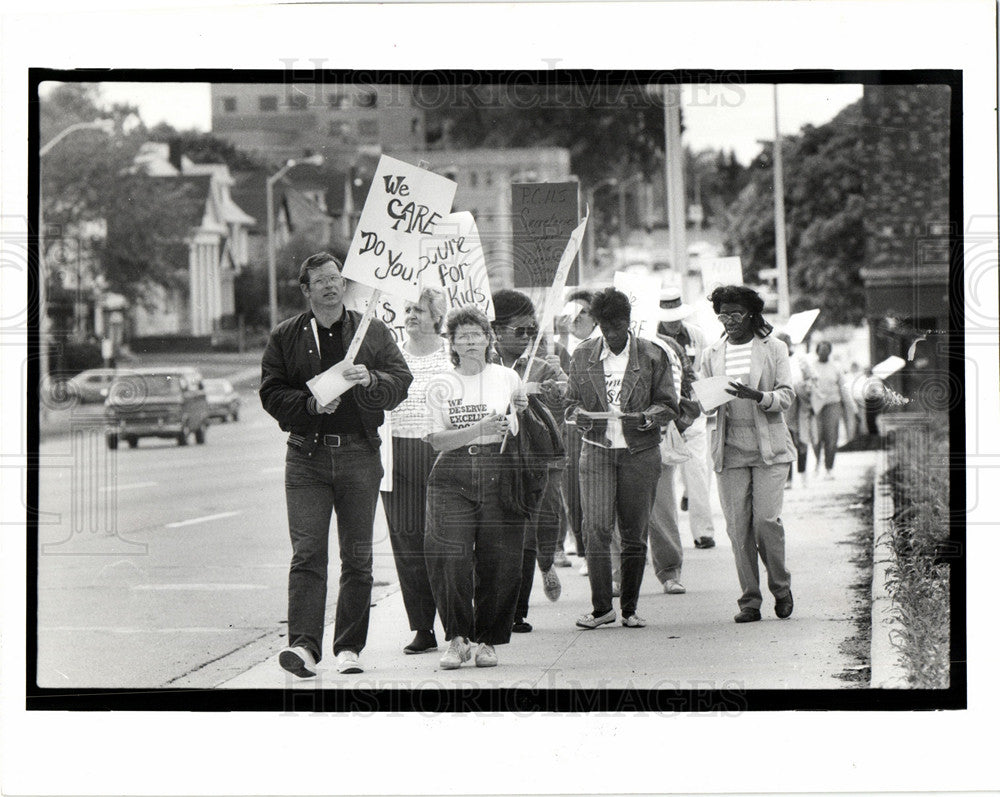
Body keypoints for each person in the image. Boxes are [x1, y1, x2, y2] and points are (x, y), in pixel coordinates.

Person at [261, 252, 413, 677]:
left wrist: (373, 380)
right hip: (306, 458)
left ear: (344, 285)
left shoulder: (371, 330)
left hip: (359, 454)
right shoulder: (286, 336)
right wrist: (309, 404)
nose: (330, 285)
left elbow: (401, 380)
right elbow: (271, 393)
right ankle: (304, 648)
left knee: (357, 556)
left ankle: (349, 647)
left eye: (335, 278)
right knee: (308, 554)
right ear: (306, 290)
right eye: (320, 281)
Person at [565, 287, 679, 629]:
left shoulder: (652, 355)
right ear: (598, 324)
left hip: (640, 452)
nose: (613, 335)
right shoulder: (582, 355)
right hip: (597, 450)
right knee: (595, 529)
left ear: (629, 322)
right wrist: (579, 415)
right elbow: (570, 405)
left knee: (634, 532)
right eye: (606, 327)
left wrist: (649, 416)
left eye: (619, 327)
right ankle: (602, 608)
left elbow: (670, 404)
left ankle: (629, 609)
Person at [424, 306, 529, 669]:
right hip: (452, 475)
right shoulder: (440, 383)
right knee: (450, 559)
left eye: (476, 333)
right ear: (451, 342)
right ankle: (457, 639)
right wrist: (477, 430)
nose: (469, 341)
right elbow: (436, 440)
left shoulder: (508, 378)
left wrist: (521, 408)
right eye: (461, 335)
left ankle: (488, 641)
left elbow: (514, 429)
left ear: (488, 338)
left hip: (499, 472)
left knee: (499, 562)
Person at [701, 285, 796, 624]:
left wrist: (759, 396)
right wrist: (706, 399)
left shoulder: (774, 348)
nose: (728, 321)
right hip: (729, 448)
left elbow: (786, 395)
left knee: (765, 523)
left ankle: (781, 587)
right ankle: (750, 600)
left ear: (751, 314)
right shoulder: (712, 353)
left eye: (735, 314)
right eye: (723, 315)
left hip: (769, 445)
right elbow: (703, 400)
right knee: (738, 528)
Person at [490, 289, 568, 633]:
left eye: (531, 332)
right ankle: (505, 610)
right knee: (505, 534)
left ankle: (539, 575)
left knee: (537, 528)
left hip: (536, 461)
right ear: (496, 330)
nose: (526, 338)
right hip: (496, 460)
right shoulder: (482, 363)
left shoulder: (541, 363)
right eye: (519, 331)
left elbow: (566, 394)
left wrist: (558, 386)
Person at [380, 288, 452, 655]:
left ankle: (456, 624)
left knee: (443, 542)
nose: (410, 315)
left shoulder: (449, 355)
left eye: (420, 310)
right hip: (396, 455)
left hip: (440, 454)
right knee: (407, 545)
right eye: (407, 309)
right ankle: (423, 628)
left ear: (437, 318)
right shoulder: (391, 355)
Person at [657, 287, 717, 549]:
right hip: (662, 413)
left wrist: (706, 405)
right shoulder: (649, 335)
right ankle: (665, 538)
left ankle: (703, 532)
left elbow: (704, 371)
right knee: (663, 478)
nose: (672, 322)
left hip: (691, 412)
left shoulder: (696, 336)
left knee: (698, 472)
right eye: (667, 317)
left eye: (675, 317)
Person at [559, 290, 598, 576]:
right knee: (573, 495)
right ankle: (584, 551)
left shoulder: (600, 344)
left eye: (583, 311)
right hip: (569, 430)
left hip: (597, 425)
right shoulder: (557, 346)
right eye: (571, 311)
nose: (576, 317)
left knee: (597, 494)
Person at [809, 341, 856, 479]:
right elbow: (804, 386)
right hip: (815, 406)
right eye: (821, 350)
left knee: (831, 437)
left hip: (832, 404)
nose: (823, 352)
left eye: (826, 350)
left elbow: (844, 388)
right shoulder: (811, 367)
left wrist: (852, 407)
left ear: (830, 352)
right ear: (817, 351)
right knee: (816, 437)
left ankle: (829, 468)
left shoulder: (836, 367)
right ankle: (817, 462)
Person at [775, 332, 816, 488]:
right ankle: (788, 479)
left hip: (801, 404)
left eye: (785, 342)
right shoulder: (775, 360)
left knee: (802, 440)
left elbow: (813, 378)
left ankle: (803, 473)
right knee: (786, 442)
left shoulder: (800, 359)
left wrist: (806, 387)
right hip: (784, 406)